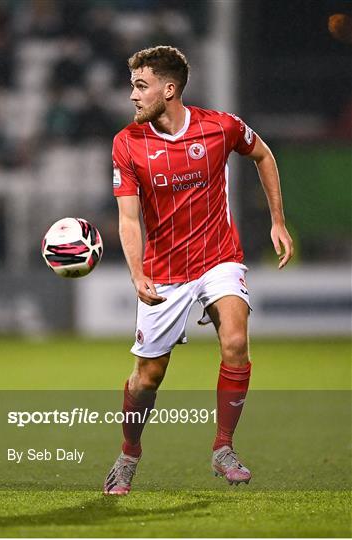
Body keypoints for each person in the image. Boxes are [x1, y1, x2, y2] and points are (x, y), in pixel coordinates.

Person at [104, 46, 293, 495]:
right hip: (164, 269)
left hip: (218, 258)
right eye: (133, 85)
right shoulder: (127, 143)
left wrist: (278, 221)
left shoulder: (220, 126)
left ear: (169, 90)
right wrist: (136, 273)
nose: (132, 95)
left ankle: (223, 447)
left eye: (140, 85)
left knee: (235, 339)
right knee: (148, 376)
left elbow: (263, 154)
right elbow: (129, 219)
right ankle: (129, 452)